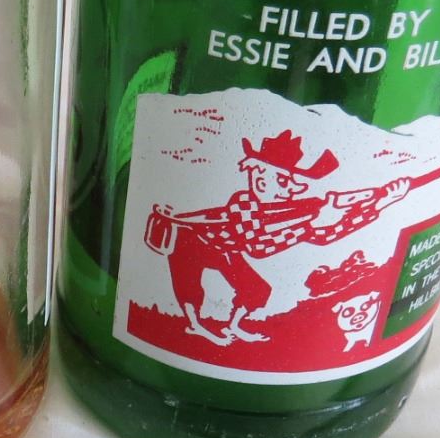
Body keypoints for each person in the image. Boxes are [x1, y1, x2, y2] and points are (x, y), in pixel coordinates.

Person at [150, 130, 409, 346]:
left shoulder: (291, 210)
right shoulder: (243, 204)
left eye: (293, 183)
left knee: (257, 290)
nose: (292, 189)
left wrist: (380, 203)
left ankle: (234, 325)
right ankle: (195, 324)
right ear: (259, 176)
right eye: (284, 181)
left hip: (226, 249)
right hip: (192, 240)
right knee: (189, 284)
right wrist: (310, 222)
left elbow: (326, 235)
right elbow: (257, 245)